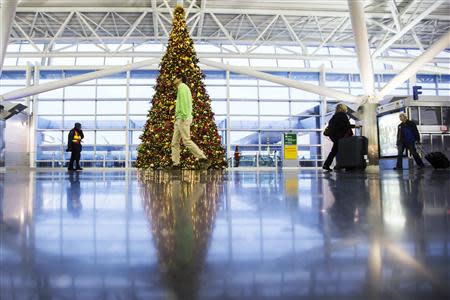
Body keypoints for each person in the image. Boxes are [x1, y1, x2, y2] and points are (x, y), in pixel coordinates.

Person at [171, 74, 209, 169]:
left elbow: (184, 102)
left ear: (180, 79)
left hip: (183, 118)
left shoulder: (182, 87)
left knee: (186, 140)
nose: (173, 79)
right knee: (174, 142)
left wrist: (183, 115)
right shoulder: (182, 88)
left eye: (175, 78)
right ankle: (176, 164)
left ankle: (203, 158)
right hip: (179, 118)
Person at [323, 104, 353, 172]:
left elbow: (332, 127)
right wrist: (355, 126)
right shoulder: (343, 116)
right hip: (341, 137)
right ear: (343, 109)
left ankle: (326, 165)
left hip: (334, 137)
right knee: (346, 151)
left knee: (334, 151)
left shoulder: (333, 117)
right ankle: (347, 166)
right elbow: (346, 126)